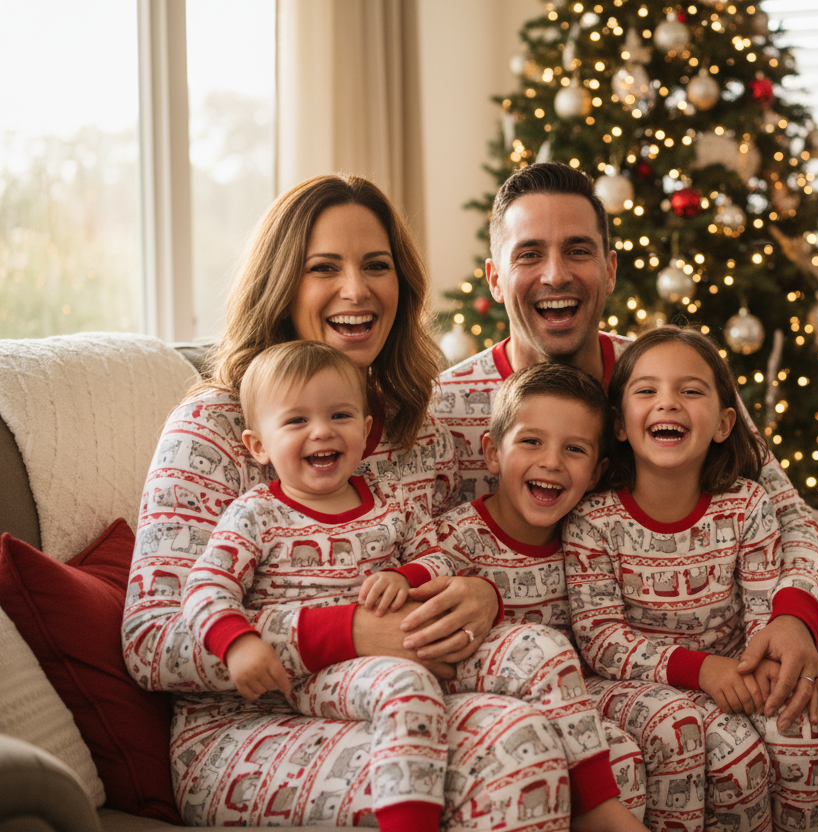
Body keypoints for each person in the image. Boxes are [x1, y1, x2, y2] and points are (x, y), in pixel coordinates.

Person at [436, 162, 818, 831]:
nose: (555, 275)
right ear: (494, 278)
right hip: (579, 668)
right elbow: (410, 554)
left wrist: (794, 617)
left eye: (578, 250)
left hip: (734, 630)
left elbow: (788, 514)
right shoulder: (448, 410)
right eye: (529, 255)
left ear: (610, 267)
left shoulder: (671, 373)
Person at [124, 173, 575, 829]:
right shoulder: (213, 430)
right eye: (324, 268)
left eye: (376, 266)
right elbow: (150, 640)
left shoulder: (421, 428)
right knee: (504, 753)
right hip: (248, 726)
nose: (357, 290)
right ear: (282, 285)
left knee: (528, 737)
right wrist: (350, 631)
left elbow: (463, 549)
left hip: (404, 697)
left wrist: (482, 595)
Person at [181, 339, 641, 831]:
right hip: (314, 674)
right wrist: (236, 641)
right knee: (409, 686)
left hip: (409, 641)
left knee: (544, 648)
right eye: (296, 422)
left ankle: (597, 808)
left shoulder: (389, 507)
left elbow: (437, 554)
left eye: (339, 416)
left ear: (365, 430)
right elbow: (206, 587)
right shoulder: (256, 513)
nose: (321, 431)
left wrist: (412, 577)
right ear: (258, 446)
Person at [563, 326, 818, 832]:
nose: (668, 404)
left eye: (690, 390)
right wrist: (702, 670)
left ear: (725, 422)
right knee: (735, 755)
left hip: (735, 669)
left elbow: (762, 616)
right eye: (647, 391)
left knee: (804, 730)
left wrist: (763, 666)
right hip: (630, 683)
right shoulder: (593, 522)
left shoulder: (747, 506)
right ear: (619, 425)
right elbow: (601, 642)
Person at [416, 362, 708, 832]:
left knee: (660, 735)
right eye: (531, 441)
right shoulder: (453, 541)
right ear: (492, 453)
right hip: (491, 700)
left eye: (574, 450)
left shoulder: (587, 537)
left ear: (595, 473)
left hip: (577, 698)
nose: (551, 462)